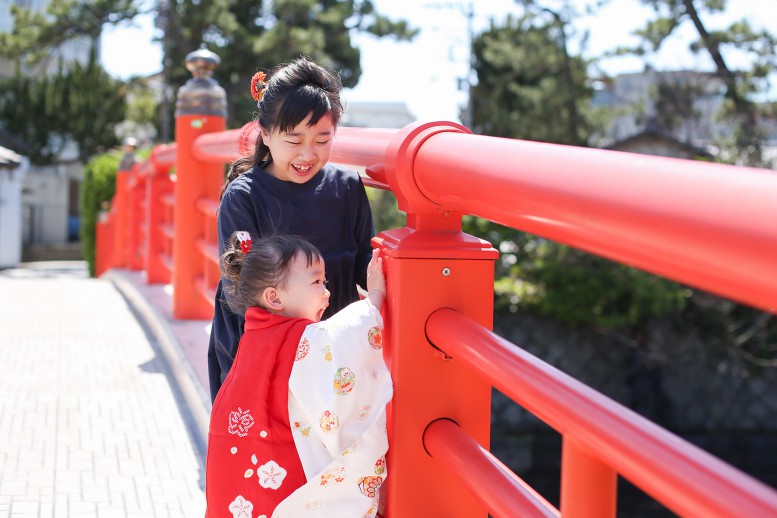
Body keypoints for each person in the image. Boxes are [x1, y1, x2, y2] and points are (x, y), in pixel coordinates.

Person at [208, 56, 375, 402]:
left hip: (335, 358)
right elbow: (242, 285)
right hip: (262, 356)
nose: (308, 154)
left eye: (322, 139)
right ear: (266, 134)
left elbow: (364, 264)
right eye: (294, 140)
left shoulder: (346, 188)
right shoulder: (245, 198)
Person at [206, 233, 391, 518]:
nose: (327, 292)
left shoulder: (256, 337)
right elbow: (340, 340)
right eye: (316, 282)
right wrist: (375, 300)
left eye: (325, 282)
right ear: (274, 297)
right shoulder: (297, 339)